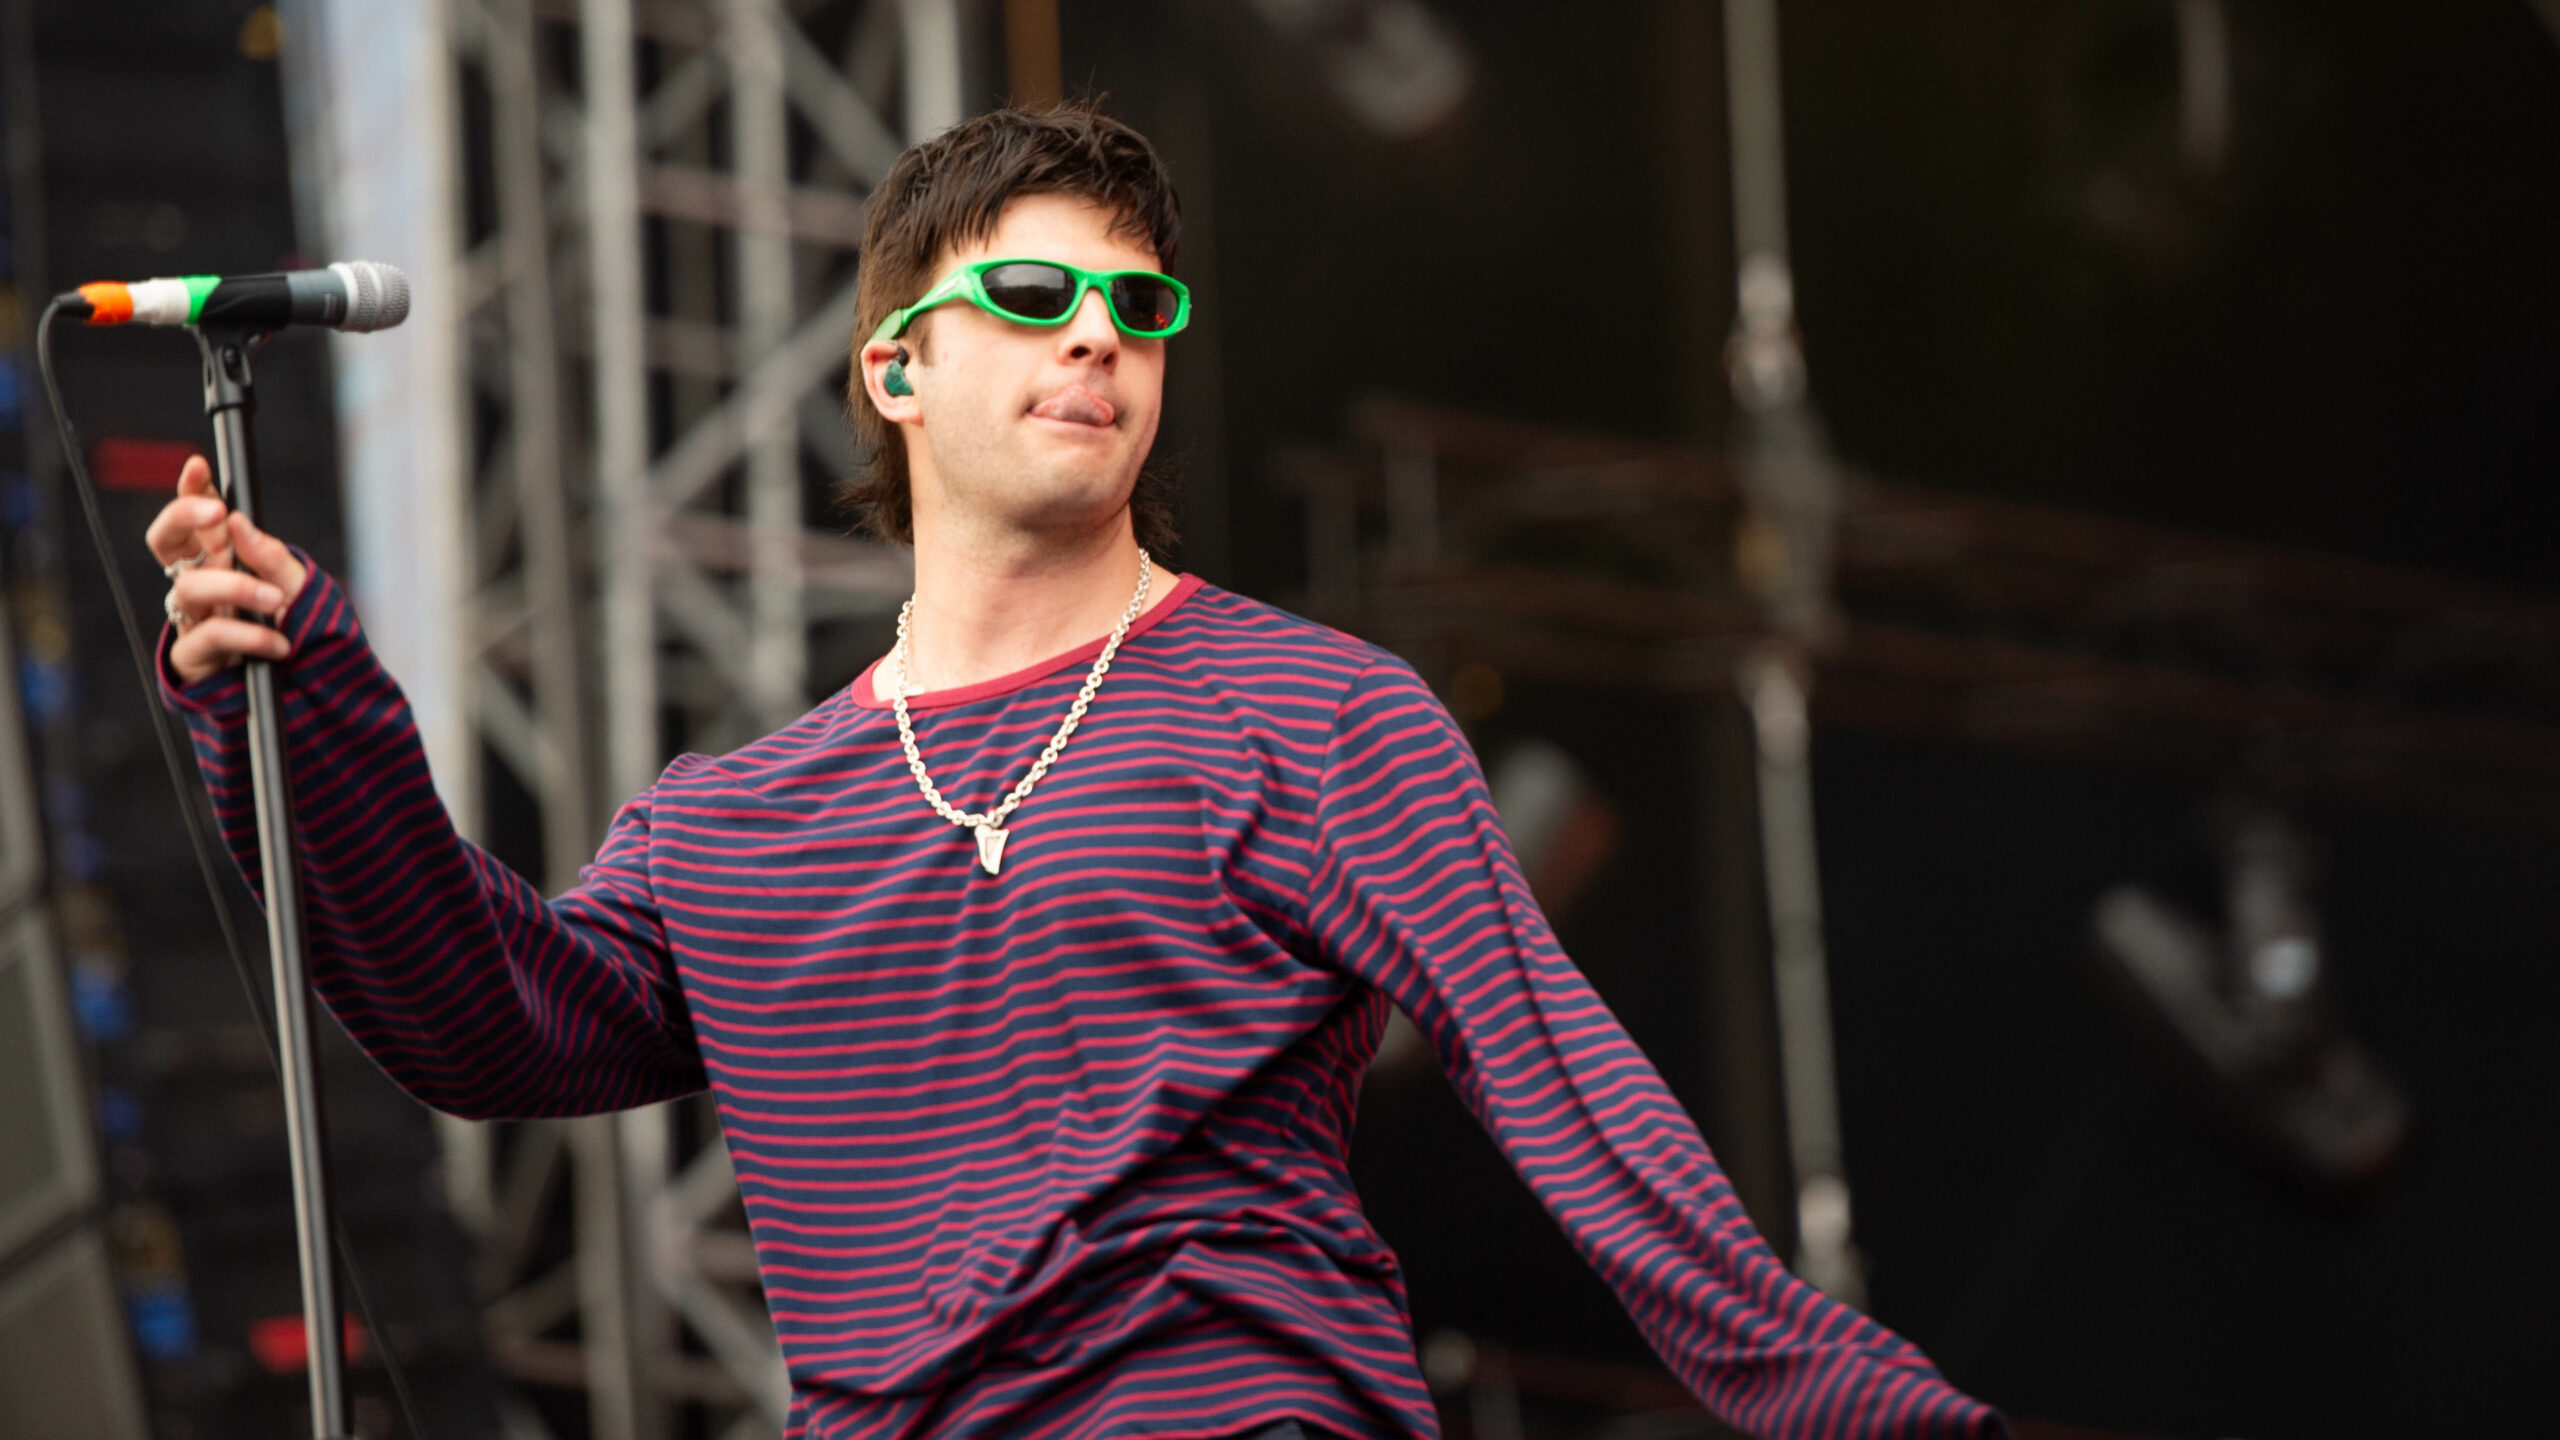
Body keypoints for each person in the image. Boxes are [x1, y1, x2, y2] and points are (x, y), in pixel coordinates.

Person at [149, 103, 2004, 1440]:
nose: (1102, 332)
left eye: (1140, 307)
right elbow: (491, 1028)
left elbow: (1572, 1093)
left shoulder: (1310, 715)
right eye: (1036, 295)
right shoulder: (733, 824)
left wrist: (1872, 1409)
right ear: (896, 371)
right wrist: (305, 700)